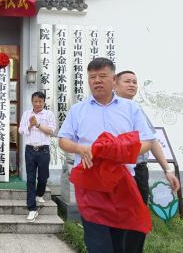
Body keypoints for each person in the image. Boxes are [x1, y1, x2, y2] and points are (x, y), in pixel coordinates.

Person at [58, 57, 154, 253]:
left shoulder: (131, 108)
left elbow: (147, 141)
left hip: (122, 184)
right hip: (90, 185)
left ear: (113, 79)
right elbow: (63, 140)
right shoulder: (78, 110)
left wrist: (122, 151)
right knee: (97, 244)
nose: (97, 81)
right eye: (92, 77)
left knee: (119, 243)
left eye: (102, 76)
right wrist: (80, 149)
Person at [115, 70, 181, 201]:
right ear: (115, 85)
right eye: (127, 81)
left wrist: (167, 171)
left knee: (138, 213)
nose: (132, 85)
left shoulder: (136, 108)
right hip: (115, 171)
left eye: (134, 82)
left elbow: (151, 140)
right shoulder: (107, 109)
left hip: (139, 171)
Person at [18, 91, 56, 222]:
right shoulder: (26, 114)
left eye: (40, 101)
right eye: (35, 101)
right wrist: (30, 125)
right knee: (30, 178)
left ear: (44, 102)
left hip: (44, 150)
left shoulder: (49, 114)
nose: (38, 103)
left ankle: (40, 194)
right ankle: (32, 209)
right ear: (32, 101)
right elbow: (21, 130)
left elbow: (52, 131)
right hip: (30, 150)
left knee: (43, 176)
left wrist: (38, 125)